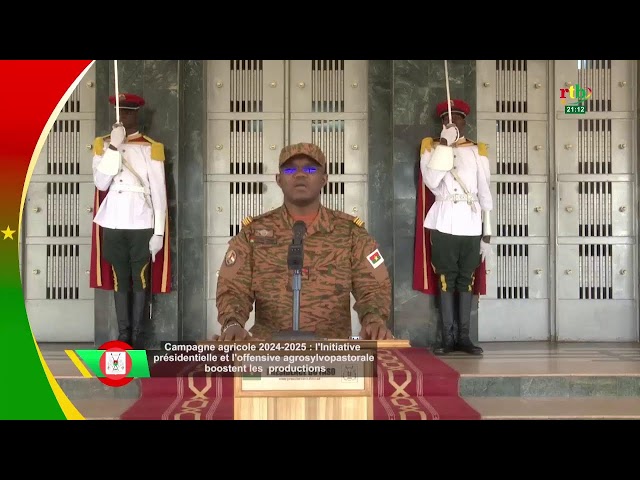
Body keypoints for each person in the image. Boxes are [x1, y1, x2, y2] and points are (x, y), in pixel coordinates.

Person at [216, 142, 393, 341]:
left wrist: (374, 321)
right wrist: (232, 323)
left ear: (324, 179)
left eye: (310, 168)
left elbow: (373, 287)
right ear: (279, 179)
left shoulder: (351, 233)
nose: (300, 175)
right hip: (267, 353)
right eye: (290, 169)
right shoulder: (253, 233)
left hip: (332, 353)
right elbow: (232, 288)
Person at [89, 93, 171, 349]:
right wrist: (114, 147)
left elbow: (158, 192)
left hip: (140, 222)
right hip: (113, 221)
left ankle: (137, 336)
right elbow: (101, 182)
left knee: (140, 279)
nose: (123, 116)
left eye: (128, 112)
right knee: (119, 278)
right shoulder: (103, 145)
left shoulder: (150, 147)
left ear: (136, 114)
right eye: (119, 112)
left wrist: (158, 232)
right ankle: (123, 336)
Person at [416, 99, 493, 356]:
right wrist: (445, 144)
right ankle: (447, 338)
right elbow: (432, 180)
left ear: (464, 121)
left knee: (466, 281)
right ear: (442, 123)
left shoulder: (476, 151)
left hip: (471, 224)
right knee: (446, 280)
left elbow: (485, 192)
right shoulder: (431, 148)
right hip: (445, 221)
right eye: (446, 120)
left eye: (456, 119)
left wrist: (487, 233)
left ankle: (464, 338)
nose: (452, 123)